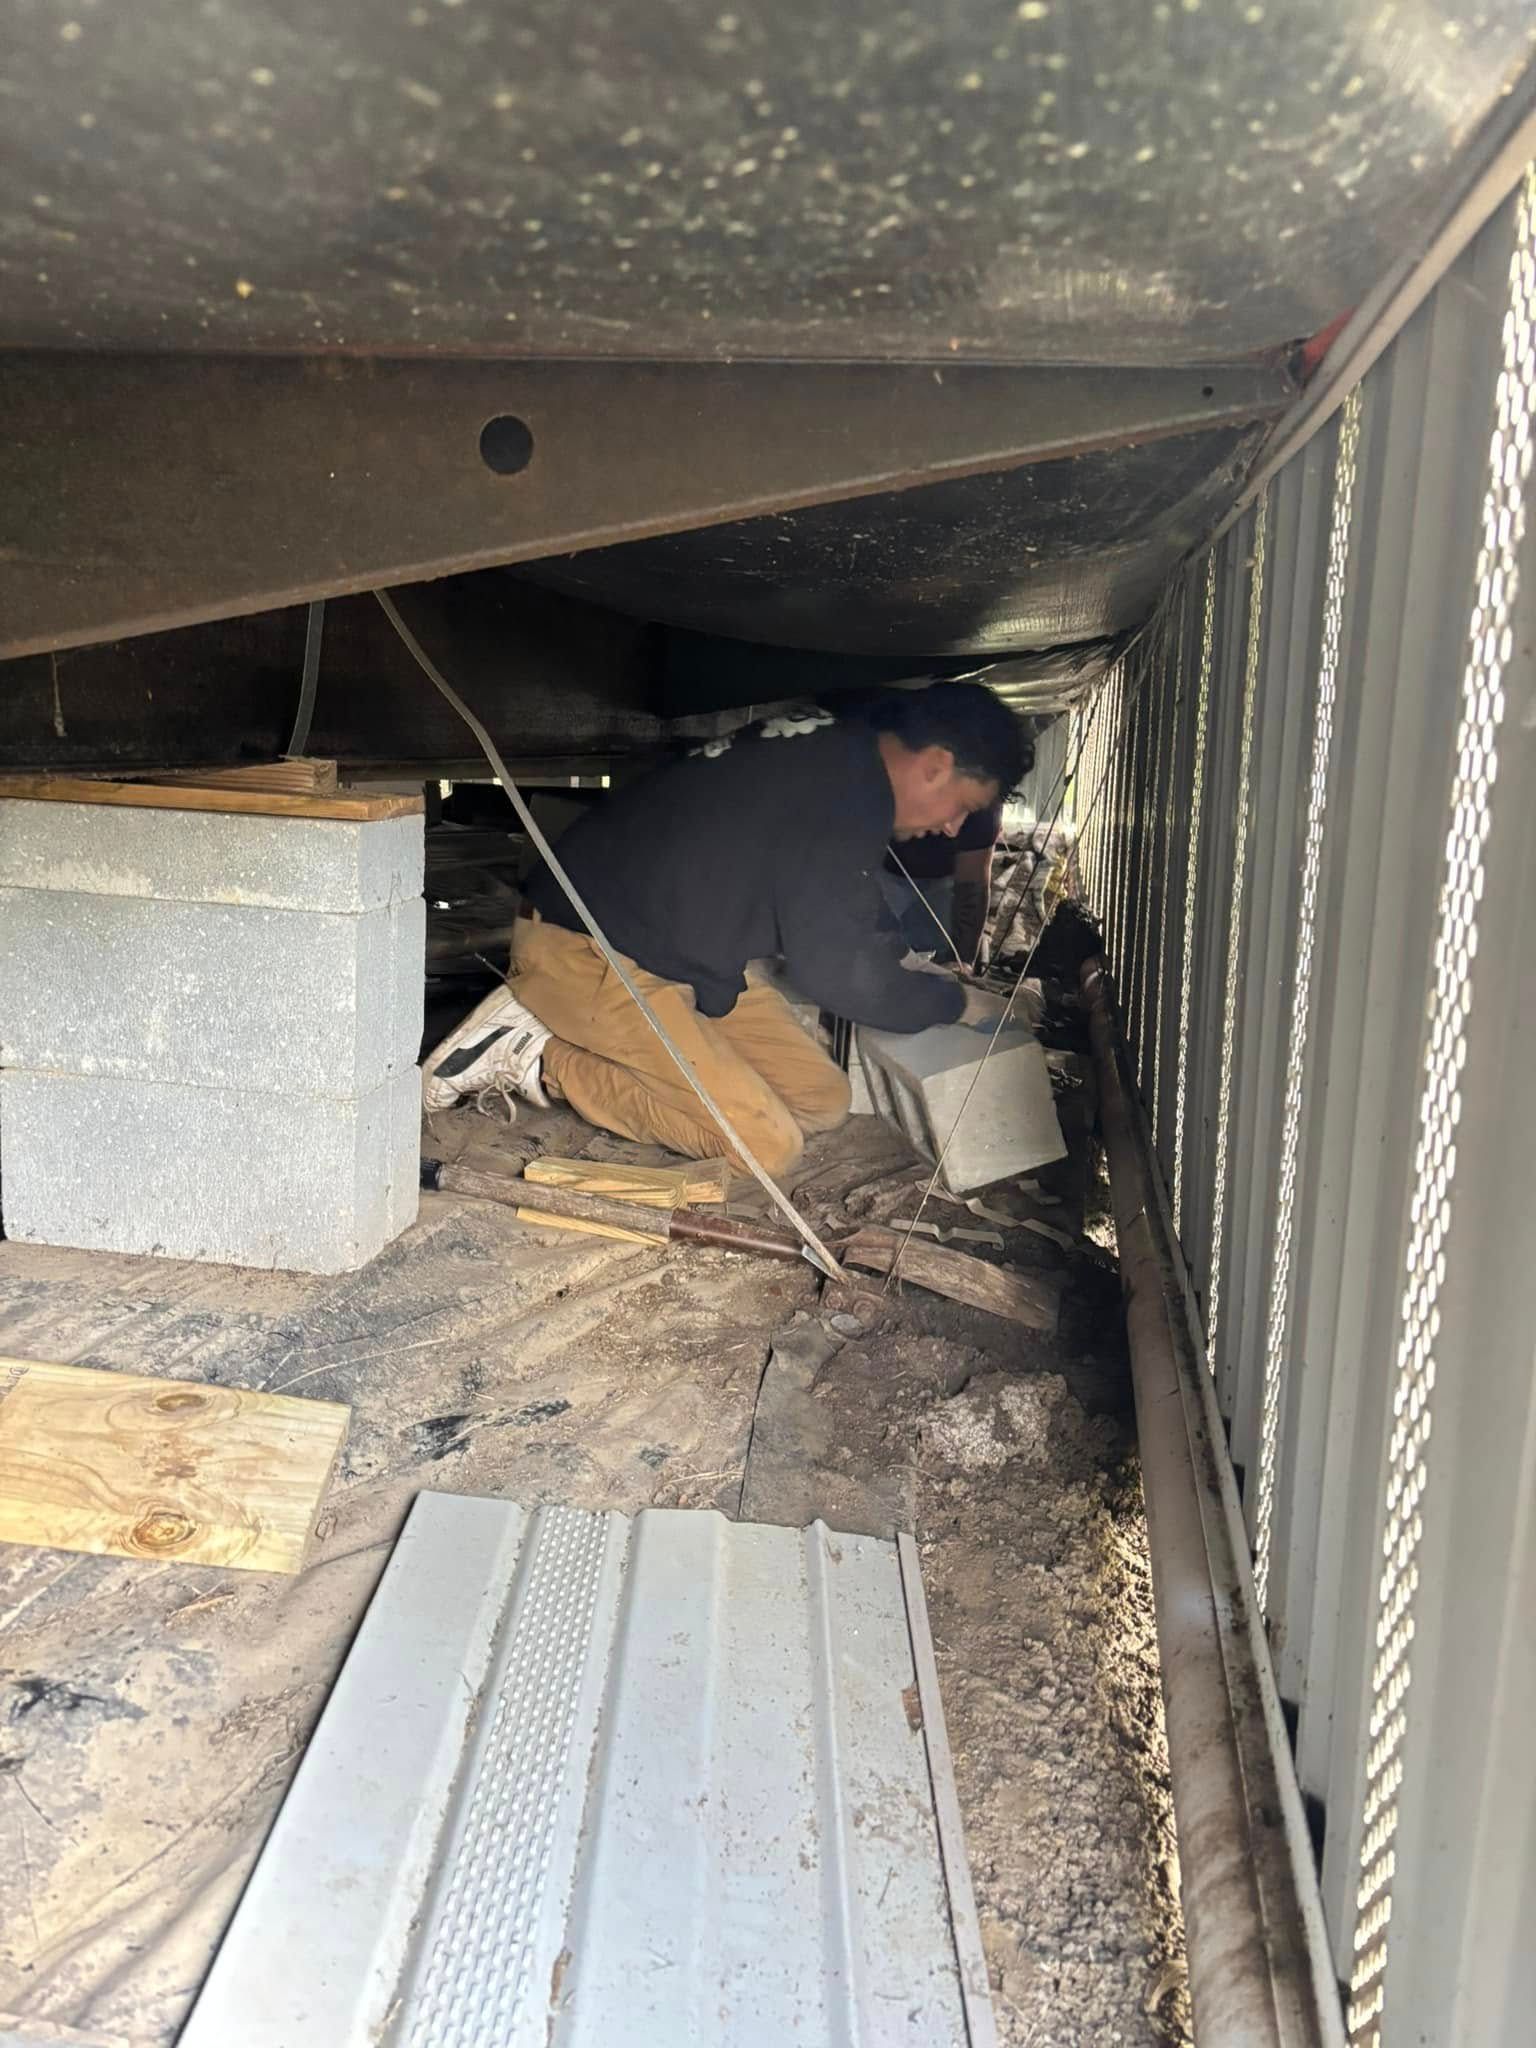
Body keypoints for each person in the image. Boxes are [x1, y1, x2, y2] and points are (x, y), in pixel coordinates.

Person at [421, 683, 1028, 1177]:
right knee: (765, 1150)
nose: (954, 828)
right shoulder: (848, 790)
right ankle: (538, 1054)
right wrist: (947, 1001)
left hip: (676, 952)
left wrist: (912, 969)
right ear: (936, 766)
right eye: (964, 807)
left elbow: (848, 904)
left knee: (823, 1100)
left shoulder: (841, 753)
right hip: (586, 946)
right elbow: (836, 973)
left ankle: (610, 1049)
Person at [879, 798, 1002, 969]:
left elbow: (972, 885)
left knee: (940, 950)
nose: (952, 830)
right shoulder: (872, 789)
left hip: (943, 880)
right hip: (881, 868)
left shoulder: (985, 804)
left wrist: (962, 960)